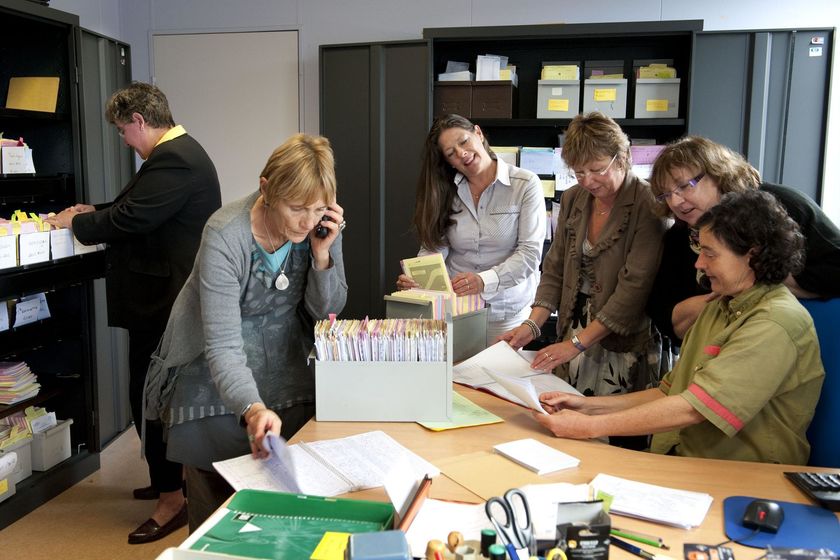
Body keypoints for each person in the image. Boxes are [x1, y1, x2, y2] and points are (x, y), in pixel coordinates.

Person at [143, 133, 347, 531]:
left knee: (289, 507)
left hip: (287, 362)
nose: (307, 221)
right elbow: (221, 345)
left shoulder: (320, 227)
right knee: (219, 515)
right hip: (213, 373)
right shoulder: (225, 233)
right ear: (266, 188)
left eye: (319, 208)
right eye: (297, 208)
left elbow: (329, 316)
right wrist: (252, 408)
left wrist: (323, 256)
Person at [46, 82, 221, 543]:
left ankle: (172, 502)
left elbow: (131, 220)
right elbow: (135, 207)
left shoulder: (175, 158)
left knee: (150, 399)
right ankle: (172, 483)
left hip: (163, 305)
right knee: (153, 399)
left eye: (124, 130)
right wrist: (93, 209)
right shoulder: (172, 155)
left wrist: (76, 223)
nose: (123, 139)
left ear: (140, 122)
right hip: (161, 302)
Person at [535, 190, 824, 464]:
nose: (699, 263)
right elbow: (670, 392)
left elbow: (694, 408)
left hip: (742, 476)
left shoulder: (775, 323)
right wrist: (586, 406)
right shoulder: (717, 307)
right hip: (686, 459)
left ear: (752, 254)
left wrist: (587, 426)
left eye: (711, 254)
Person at [500, 112, 665, 419]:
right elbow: (556, 266)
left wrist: (577, 344)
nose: (588, 181)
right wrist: (532, 325)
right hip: (573, 329)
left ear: (624, 156)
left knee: (608, 427)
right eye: (579, 173)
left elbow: (635, 286)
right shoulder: (576, 198)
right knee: (565, 418)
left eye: (597, 170)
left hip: (619, 336)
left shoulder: (647, 203)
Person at [647, 135, 840, 344]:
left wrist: (753, 281)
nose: (675, 201)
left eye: (685, 186)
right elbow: (662, 313)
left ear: (717, 173)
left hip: (798, 338)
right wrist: (718, 301)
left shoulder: (781, 206)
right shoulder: (679, 235)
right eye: (666, 195)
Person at [396, 114, 545, 344]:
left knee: (500, 378)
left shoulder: (525, 184)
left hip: (506, 313)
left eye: (463, 141)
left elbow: (530, 254)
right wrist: (417, 279)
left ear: (478, 133)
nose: (461, 153)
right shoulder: (445, 191)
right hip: (457, 310)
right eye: (451, 153)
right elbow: (433, 249)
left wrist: (483, 281)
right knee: (456, 378)